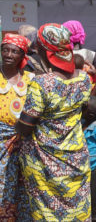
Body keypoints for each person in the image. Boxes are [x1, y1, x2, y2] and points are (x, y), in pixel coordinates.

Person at [15, 23, 92, 221]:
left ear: (42, 49)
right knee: (76, 211)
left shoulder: (42, 83)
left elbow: (26, 126)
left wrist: (15, 124)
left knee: (47, 213)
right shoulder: (83, 78)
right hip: (76, 158)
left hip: (44, 163)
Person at [0, 33, 33, 220]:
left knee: (24, 186)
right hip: (1, 143)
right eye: (5, 50)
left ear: (22, 56)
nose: (9, 54)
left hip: (24, 142)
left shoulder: (30, 79)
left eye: (14, 51)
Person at [63, 20, 96, 96]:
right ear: (82, 34)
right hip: (88, 95)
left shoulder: (62, 55)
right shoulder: (92, 54)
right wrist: (91, 98)